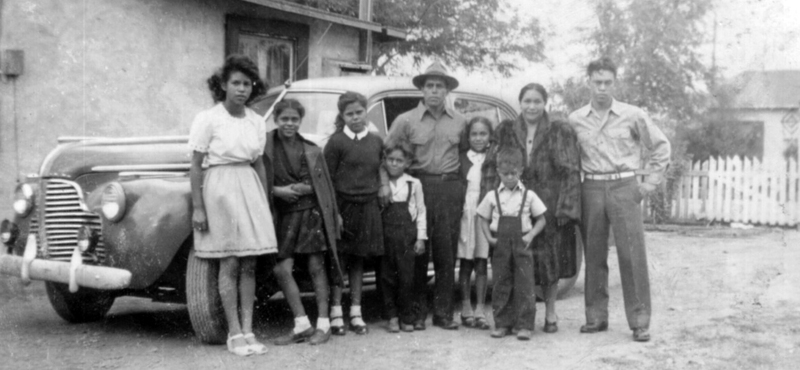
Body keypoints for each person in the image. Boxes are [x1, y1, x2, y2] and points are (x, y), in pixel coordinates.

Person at [568, 57, 671, 342]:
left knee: (631, 255)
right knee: (594, 254)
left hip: (625, 187)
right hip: (591, 188)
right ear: (588, 82)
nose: (602, 88)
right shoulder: (575, 119)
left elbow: (661, 147)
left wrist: (646, 185)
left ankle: (639, 321)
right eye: (597, 82)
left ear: (615, 83)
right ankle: (596, 317)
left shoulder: (632, 114)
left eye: (607, 82)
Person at [188, 54, 276, 356]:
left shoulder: (255, 121)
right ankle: (234, 332)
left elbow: (259, 163)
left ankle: (249, 329)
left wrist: (263, 201)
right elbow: (196, 166)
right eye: (235, 83)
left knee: (250, 262)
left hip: (249, 188)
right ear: (223, 85)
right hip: (219, 189)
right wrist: (198, 207)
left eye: (247, 84)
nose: (242, 89)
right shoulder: (209, 119)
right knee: (229, 261)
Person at [485, 84, 582, 334]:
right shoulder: (505, 130)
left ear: (545, 103)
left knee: (549, 261)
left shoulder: (560, 131)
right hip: (513, 204)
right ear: (520, 103)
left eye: (537, 101)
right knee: (516, 262)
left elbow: (571, 170)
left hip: (548, 204)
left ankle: (550, 312)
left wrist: (566, 208)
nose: (532, 106)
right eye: (527, 101)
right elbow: (490, 168)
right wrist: (491, 205)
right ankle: (518, 318)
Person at [382, 61, 467, 330]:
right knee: (417, 253)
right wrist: (384, 183)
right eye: (429, 86)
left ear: (447, 91)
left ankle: (443, 313)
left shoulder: (460, 121)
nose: (434, 91)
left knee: (445, 252)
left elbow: (467, 157)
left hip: (449, 189)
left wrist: (461, 190)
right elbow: (384, 156)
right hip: (416, 188)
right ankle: (415, 313)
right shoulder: (405, 120)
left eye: (439, 86)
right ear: (422, 89)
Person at [265, 99, 344, 346]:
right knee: (281, 269)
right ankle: (302, 324)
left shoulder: (311, 149)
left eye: (294, 119)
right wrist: (278, 191)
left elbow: (323, 186)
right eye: (284, 119)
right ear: (276, 120)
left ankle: (323, 324)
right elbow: (258, 178)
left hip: (310, 213)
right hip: (283, 215)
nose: (289, 124)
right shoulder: (265, 146)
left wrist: (305, 188)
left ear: (300, 121)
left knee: (316, 267)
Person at [324, 92, 384, 336]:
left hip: (368, 206)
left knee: (359, 260)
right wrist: (335, 213)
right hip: (343, 207)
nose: (355, 117)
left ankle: (356, 312)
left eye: (359, 112)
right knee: (340, 261)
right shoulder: (336, 142)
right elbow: (327, 181)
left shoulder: (376, 141)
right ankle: (336, 311)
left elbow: (382, 170)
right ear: (342, 116)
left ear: (366, 111)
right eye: (349, 114)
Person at [477, 149, 547, 340]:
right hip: (500, 245)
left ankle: (524, 325)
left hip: (522, 244)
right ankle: (502, 324)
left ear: (521, 171)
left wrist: (531, 235)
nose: (509, 178)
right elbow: (482, 218)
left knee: (525, 284)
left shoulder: (529, 195)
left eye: (513, 174)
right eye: (505, 174)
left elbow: (541, 220)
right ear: (498, 172)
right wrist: (489, 238)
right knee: (501, 282)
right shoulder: (492, 196)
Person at [380, 141, 427, 333]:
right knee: (386, 277)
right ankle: (391, 316)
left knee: (407, 277)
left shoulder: (413, 183)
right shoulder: (380, 183)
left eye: (399, 161)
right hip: (385, 236)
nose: (394, 164)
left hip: (407, 235)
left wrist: (421, 238)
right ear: (385, 160)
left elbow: (421, 211)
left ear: (407, 163)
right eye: (390, 159)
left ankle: (406, 316)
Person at [456, 116, 493, 330]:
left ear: (489, 137)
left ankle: (480, 307)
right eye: (474, 134)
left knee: (481, 260)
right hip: (465, 211)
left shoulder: (492, 157)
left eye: (483, 134)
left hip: (484, 210)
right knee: (465, 260)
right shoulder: (462, 157)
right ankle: (465, 306)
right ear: (468, 136)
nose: (478, 138)